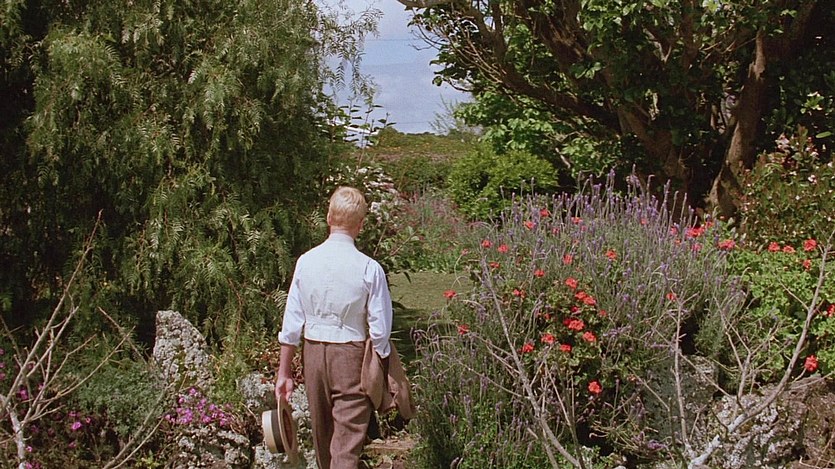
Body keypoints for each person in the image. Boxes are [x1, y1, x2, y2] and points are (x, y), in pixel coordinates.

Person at [275, 186, 393, 469]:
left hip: (313, 354)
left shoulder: (306, 262)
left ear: (328, 217)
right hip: (351, 356)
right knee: (347, 445)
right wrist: (382, 368)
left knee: (323, 438)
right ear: (360, 225)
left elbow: (292, 322)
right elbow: (380, 331)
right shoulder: (369, 268)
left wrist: (284, 372)